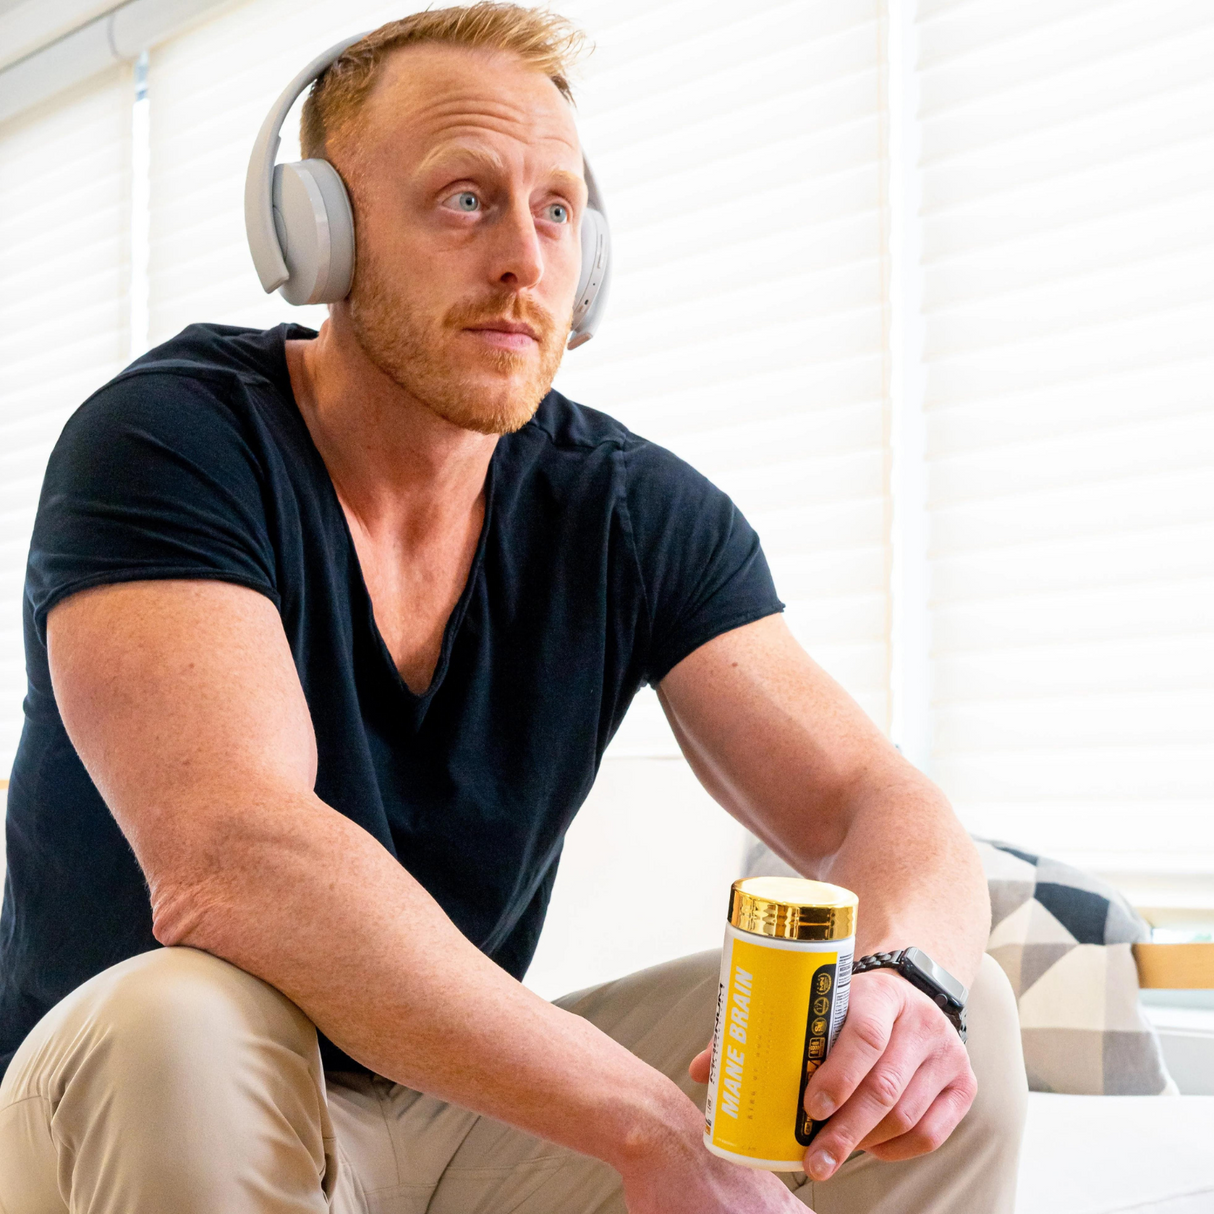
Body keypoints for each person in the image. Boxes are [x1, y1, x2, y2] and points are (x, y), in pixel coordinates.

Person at [0, 5, 1027, 1211]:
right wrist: (648, 1122)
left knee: (967, 1040)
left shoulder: (628, 509)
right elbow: (233, 862)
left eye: (554, 211)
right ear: (318, 232)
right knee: (181, 1011)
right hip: (133, 1095)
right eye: (463, 199)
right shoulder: (169, 440)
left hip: (442, 1106)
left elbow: (873, 801)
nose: (524, 262)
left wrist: (903, 977)